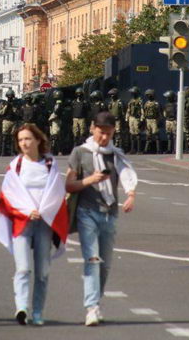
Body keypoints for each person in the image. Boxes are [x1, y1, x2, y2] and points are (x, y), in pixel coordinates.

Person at [65, 111, 137, 326]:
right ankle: (92, 307)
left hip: (110, 213)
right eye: (100, 132)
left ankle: (97, 300)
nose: (104, 138)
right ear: (92, 128)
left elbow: (126, 174)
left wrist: (131, 194)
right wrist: (91, 180)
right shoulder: (80, 152)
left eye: (108, 133)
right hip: (86, 212)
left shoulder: (115, 154)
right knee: (92, 259)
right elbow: (69, 185)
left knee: (104, 264)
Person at [0, 123, 68, 326]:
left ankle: (38, 311)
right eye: (20, 140)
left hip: (44, 222)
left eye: (28, 138)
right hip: (22, 222)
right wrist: (28, 210)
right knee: (23, 268)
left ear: (38, 140)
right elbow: (8, 195)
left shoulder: (49, 164)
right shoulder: (16, 166)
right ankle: (21, 308)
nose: (24, 143)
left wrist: (43, 210)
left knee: (43, 271)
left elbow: (57, 192)